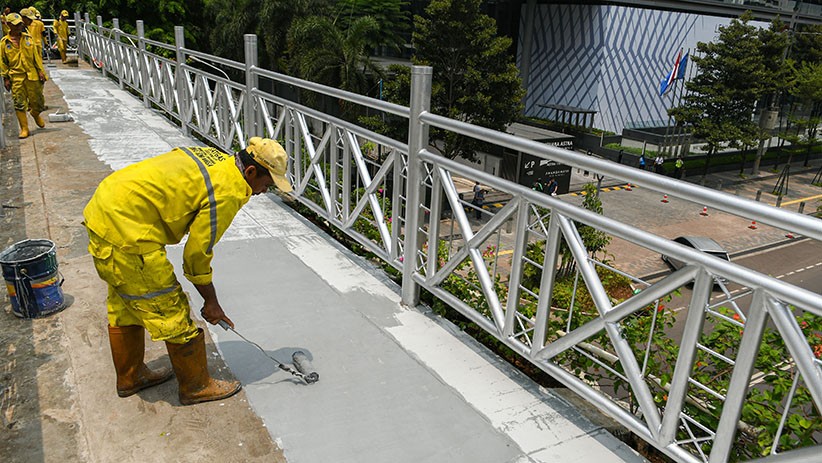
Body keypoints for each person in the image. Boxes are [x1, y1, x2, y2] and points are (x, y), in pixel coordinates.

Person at [83, 138, 293, 405]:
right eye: (266, 185)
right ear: (251, 172)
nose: (263, 192)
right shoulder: (229, 190)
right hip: (129, 233)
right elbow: (196, 256)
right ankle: (195, 387)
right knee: (171, 311)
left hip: (106, 209)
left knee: (125, 305)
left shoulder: (216, 158)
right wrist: (212, 302)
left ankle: (130, 377)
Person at [0, 12, 47, 138]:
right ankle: (24, 128)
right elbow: (3, 62)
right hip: (16, 76)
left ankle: (35, 114)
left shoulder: (28, 38)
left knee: (38, 102)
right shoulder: (4, 43)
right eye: (15, 25)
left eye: (20, 24)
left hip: (32, 75)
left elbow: (36, 57)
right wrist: (5, 78)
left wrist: (41, 71)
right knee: (19, 103)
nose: (19, 27)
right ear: (8, 24)